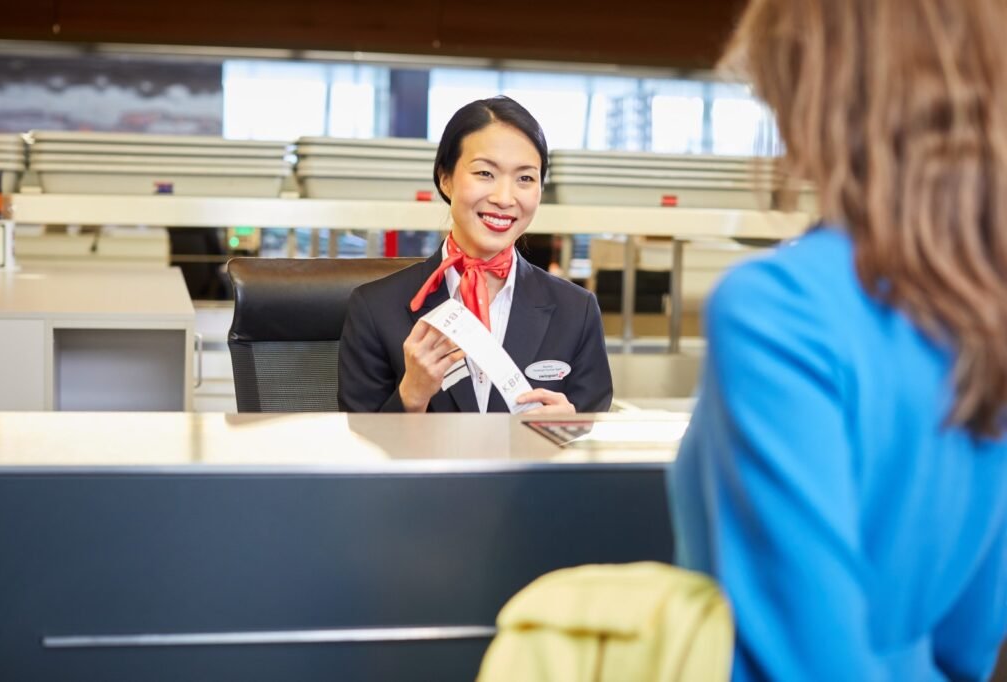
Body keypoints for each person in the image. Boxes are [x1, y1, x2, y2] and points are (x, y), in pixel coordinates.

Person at [671, 0, 1007, 679]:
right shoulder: (984, 309)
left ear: (811, 87)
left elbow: (802, 660)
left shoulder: (777, 310)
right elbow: (970, 641)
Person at [338, 96, 612, 414]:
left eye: (525, 178)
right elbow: (358, 450)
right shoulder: (375, 308)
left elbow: (594, 439)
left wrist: (573, 433)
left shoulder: (576, 311)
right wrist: (411, 397)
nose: (504, 198)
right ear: (445, 178)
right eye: (485, 173)